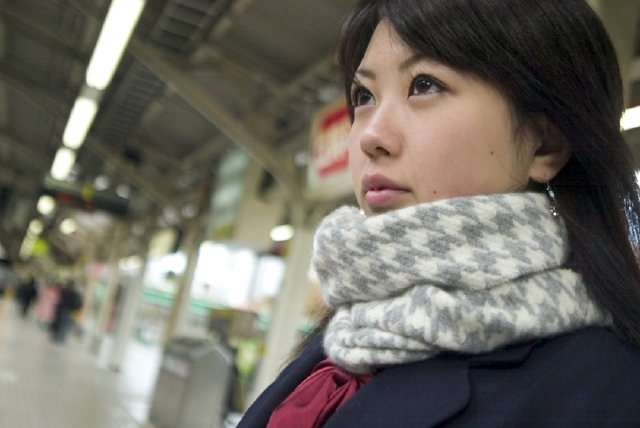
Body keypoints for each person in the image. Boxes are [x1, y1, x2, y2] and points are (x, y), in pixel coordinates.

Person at [238, 0, 640, 426]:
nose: (371, 135)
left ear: (544, 145)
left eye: (425, 85)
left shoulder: (609, 394)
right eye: (364, 96)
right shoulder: (349, 333)